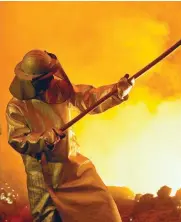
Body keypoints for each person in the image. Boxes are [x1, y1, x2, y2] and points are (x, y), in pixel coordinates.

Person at [5, 49, 135, 222]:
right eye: (46, 79)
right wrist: (45, 138)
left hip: (74, 168)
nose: (51, 81)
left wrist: (117, 91)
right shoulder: (16, 107)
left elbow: (89, 98)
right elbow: (17, 139)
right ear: (33, 81)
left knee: (104, 210)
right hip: (45, 178)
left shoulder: (60, 90)